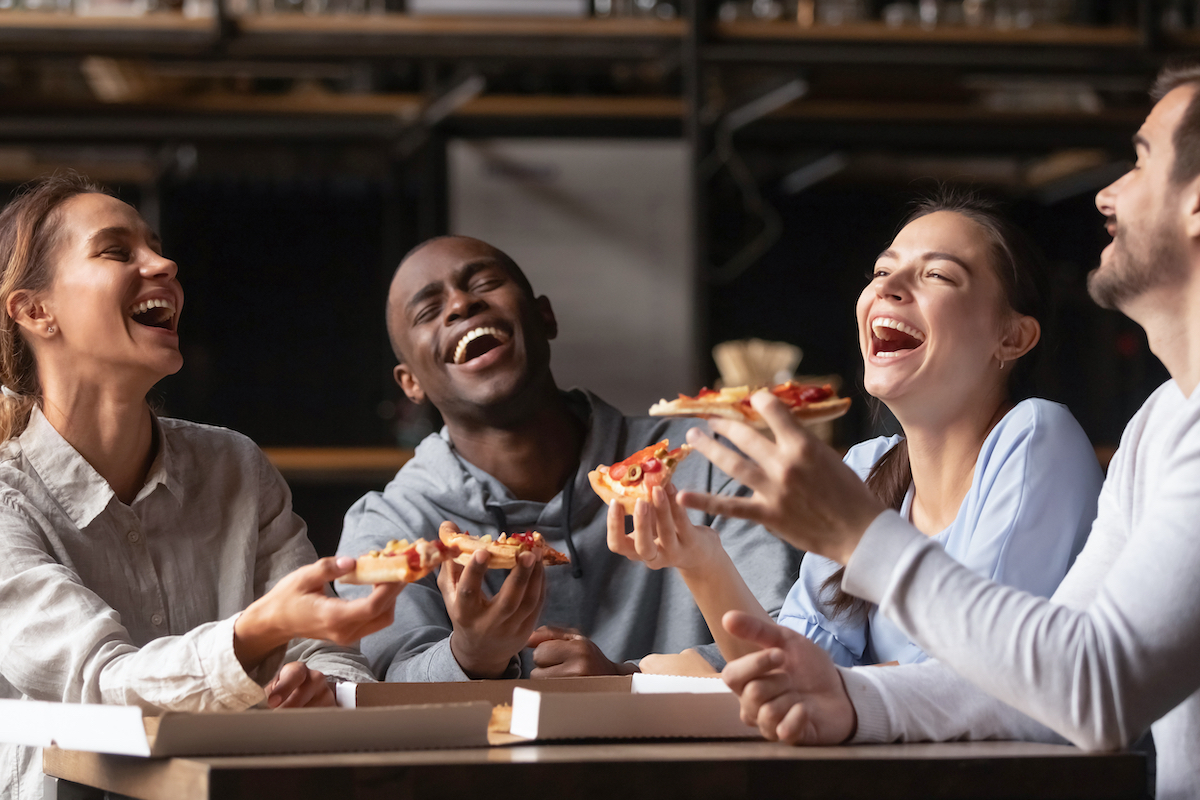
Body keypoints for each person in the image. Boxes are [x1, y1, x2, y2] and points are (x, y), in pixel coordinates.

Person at [674, 65, 1200, 800]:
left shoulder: (1057, 435)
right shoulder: (1158, 426)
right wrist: (852, 700)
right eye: (884, 270)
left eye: (1139, 161)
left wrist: (860, 538)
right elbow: (1043, 682)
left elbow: (1093, 690)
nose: (1105, 194)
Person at [0, 175, 402, 800]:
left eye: (156, 248)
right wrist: (256, 635)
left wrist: (317, 682)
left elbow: (332, 661)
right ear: (34, 311)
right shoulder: (6, 497)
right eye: (116, 251)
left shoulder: (236, 466)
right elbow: (101, 690)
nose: (164, 264)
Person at [608, 194, 1103, 668]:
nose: (887, 287)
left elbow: (983, 669)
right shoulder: (866, 468)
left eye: (937, 275)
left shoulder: (1035, 435)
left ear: (1012, 336)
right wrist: (701, 561)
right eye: (883, 271)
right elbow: (796, 670)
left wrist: (840, 683)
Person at [335, 235, 800, 681]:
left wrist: (628, 679)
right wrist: (471, 656)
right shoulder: (387, 526)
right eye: (429, 310)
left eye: (483, 284)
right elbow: (380, 684)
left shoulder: (703, 459)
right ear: (409, 383)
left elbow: (792, 639)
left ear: (545, 317)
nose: (461, 305)